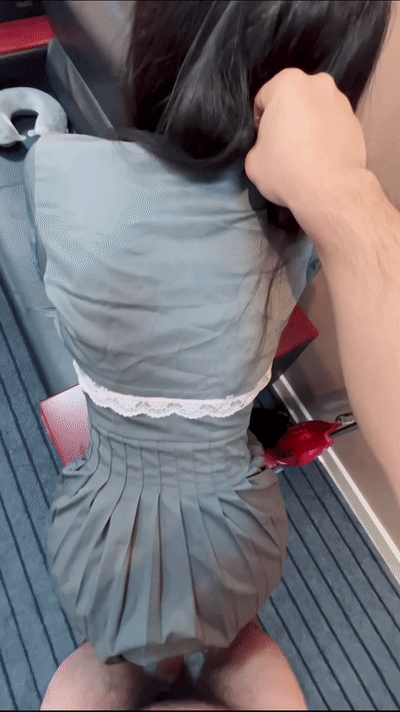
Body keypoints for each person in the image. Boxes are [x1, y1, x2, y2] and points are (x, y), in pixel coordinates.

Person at [30, 1, 396, 709]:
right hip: (233, 536)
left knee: (113, 654)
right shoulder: (295, 230)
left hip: (100, 536)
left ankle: (151, 664)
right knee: (236, 638)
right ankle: (196, 652)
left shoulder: (57, 170)